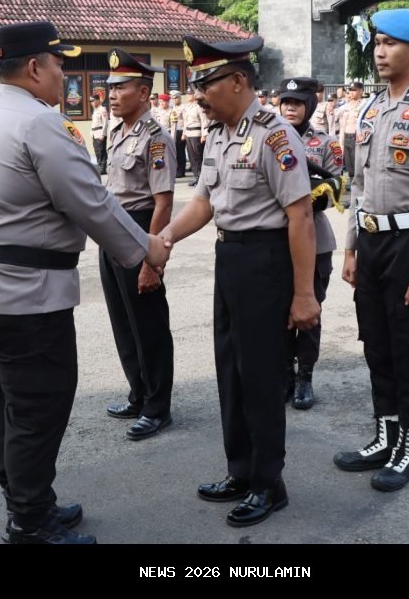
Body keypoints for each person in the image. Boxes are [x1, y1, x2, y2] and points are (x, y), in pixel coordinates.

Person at [0, 21, 172, 545]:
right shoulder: (40, 124)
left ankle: (29, 499)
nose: (63, 75)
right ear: (34, 68)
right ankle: (29, 523)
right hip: (24, 297)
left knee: (9, 401)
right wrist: (148, 248)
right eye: (58, 64)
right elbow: (90, 202)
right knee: (37, 409)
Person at [161, 34, 318, 527]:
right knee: (230, 370)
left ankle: (269, 483)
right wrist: (163, 239)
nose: (199, 95)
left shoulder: (275, 135)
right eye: (196, 85)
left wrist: (304, 293)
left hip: (267, 263)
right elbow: (205, 203)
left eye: (206, 84)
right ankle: (241, 470)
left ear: (238, 80)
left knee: (263, 377)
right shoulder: (218, 134)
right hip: (230, 259)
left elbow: (301, 218)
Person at [333, 9, 409, 493]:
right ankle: (384, 438)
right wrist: (350, 248)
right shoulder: (368, 110)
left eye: (390, 44)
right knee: (376, 345)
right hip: (371, 242)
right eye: (377, 43)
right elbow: (357, 186)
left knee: (408, 350)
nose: (380, 52)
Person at [101, 49, 177, 440]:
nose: (111, 94)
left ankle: (157, 406)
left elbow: (163, 201)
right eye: (110, 87)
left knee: (147, 322)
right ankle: (138, 392)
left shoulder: (156, 138)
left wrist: (153, 259)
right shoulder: (116, 132)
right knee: (123, 320)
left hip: (138, 227)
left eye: (121, 87)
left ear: (144, 92)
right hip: (112, 228)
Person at [278, 76, 345, 410]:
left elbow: (337, 185)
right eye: (285, 102)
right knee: (277, 312)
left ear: (310, 106)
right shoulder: (269, 139)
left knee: (309, 310)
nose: (290, 108)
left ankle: (305, 375)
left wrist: (317, 193)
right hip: (274, 240)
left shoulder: (325, 143)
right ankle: (284, 376)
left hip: (314, 240)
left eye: (297, 102)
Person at [182, 88, 209, 186]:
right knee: (191, 157)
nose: (188, 96)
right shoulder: (186, 107)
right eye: (187, 94)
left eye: (190, 94)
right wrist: (184, 133)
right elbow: (185, 122)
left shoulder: (198, 106)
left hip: (197, 134)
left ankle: (201, 178)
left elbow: (204, 120)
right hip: (189, 134)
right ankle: (196, 176)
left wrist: (204, 134)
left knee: (198, 156)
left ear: (194, 95)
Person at [90, 90, 109, 175]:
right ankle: (99, 166)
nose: (91, 103)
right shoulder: (95, 111)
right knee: (97, 151)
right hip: (94, 134)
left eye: (93, 101)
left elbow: (105, 123)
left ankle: (103, 168)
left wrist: (103, 134)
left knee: (102, 151)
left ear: (97, 100)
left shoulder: (102, 109)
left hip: (100, 133)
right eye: (91, 101)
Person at [169, 90, 187, 177]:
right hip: (174, 132)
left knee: (180, 152)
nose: (174, 100)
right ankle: (176, 169)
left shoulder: (184, 107)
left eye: (176, 98)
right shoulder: (172, 108)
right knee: (175, 151)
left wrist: (184, 133)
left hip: (181, 131)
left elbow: (186, 121)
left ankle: (181, 171)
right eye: (173, 98)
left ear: (180, 98)